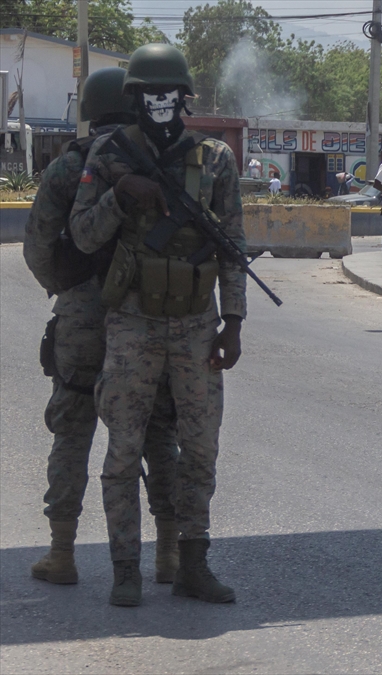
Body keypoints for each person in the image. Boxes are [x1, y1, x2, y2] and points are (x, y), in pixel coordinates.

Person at [70, 43, 246, 607]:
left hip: (197, 324)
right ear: (135, 99)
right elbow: (83, 235)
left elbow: (232, 246)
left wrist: (234, 320)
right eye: (149, 94)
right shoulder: (107, 154)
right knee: (123, 449)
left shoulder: (215, 158)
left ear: (185, 97)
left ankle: (193, 562)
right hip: (132, 324)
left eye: (168, 93)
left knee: (200, 449)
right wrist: (121, 196)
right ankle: (127, 569)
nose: (160, 101)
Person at [22, 66, 180, 592]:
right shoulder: (157, 159)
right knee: (158, 427)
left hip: (84, 316)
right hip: (145, 311)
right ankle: (170, 556)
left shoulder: (70, 166)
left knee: (73, 426)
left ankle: (62, 554)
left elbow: (39, 247)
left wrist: (70, 292)